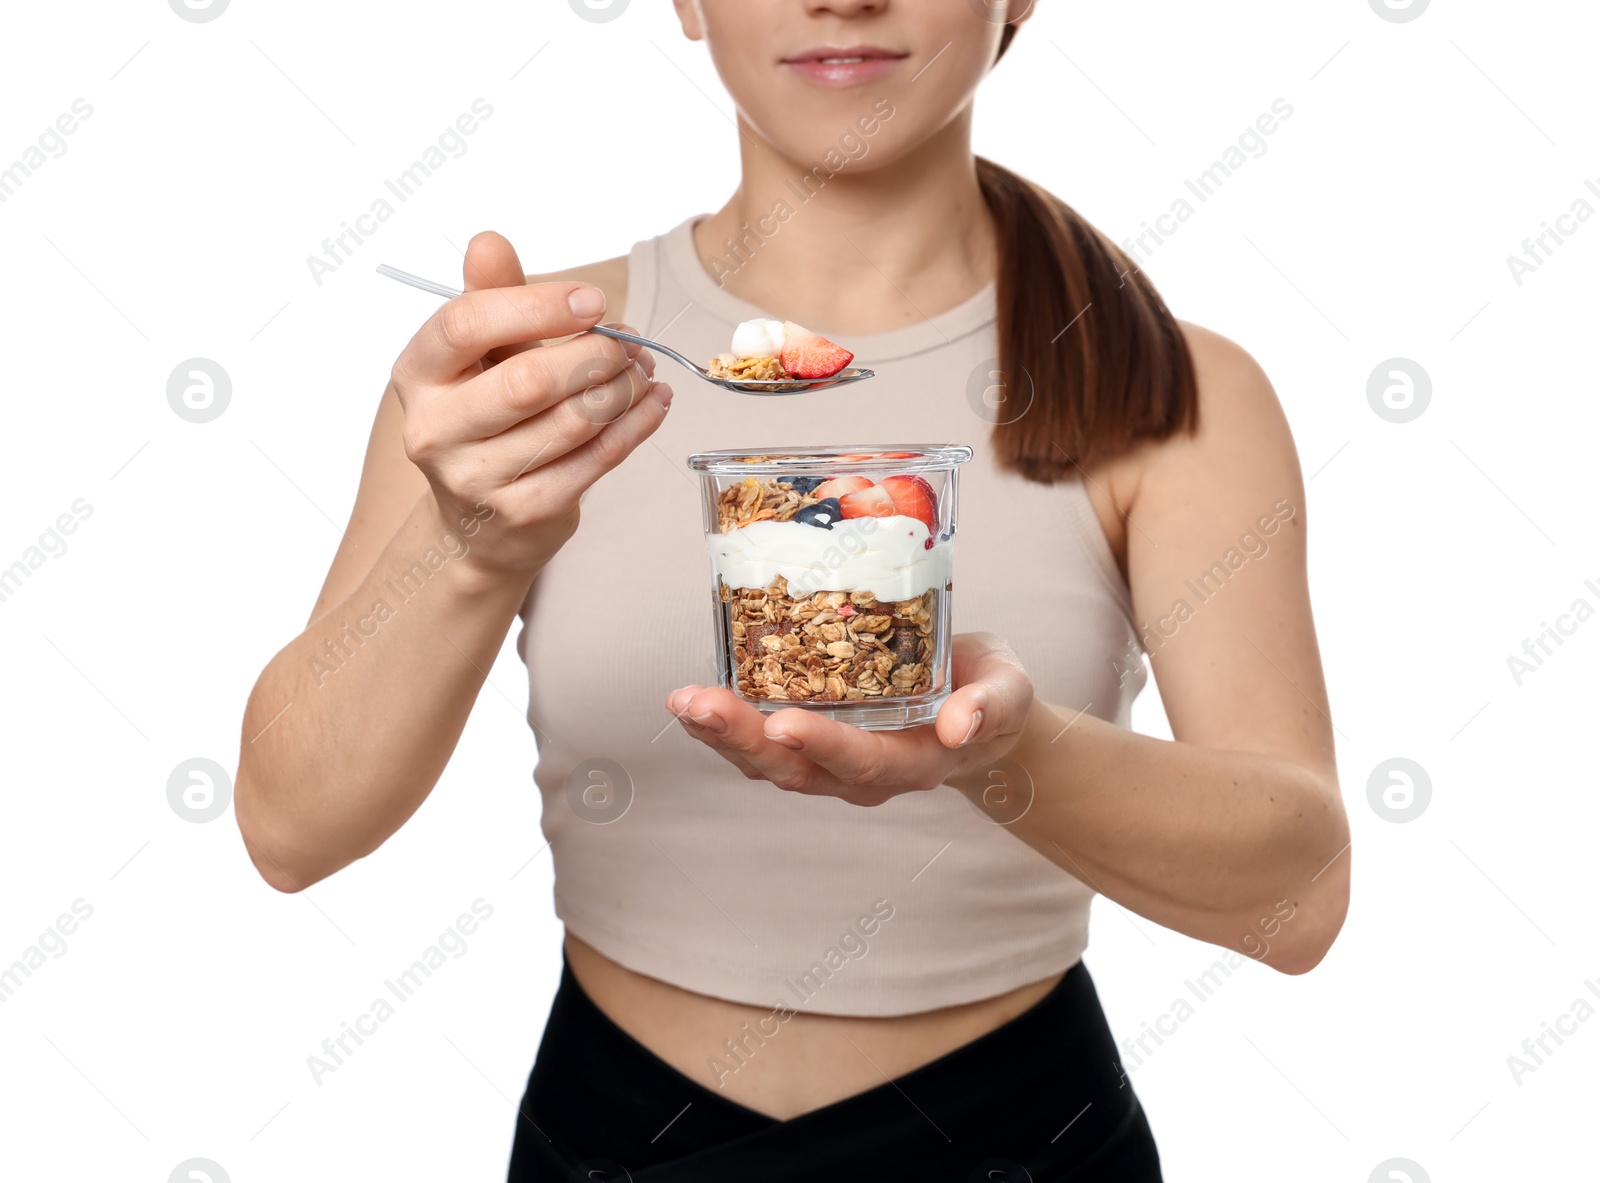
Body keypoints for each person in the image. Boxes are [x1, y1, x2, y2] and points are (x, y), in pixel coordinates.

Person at [234, 2, 1351, 1178]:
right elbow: (290, 830)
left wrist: (998, 753)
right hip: (617, 1132)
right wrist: (472, 543)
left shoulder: (1169, 386)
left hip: (1021, 1135)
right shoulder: (521, 381)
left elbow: (1300, 896)